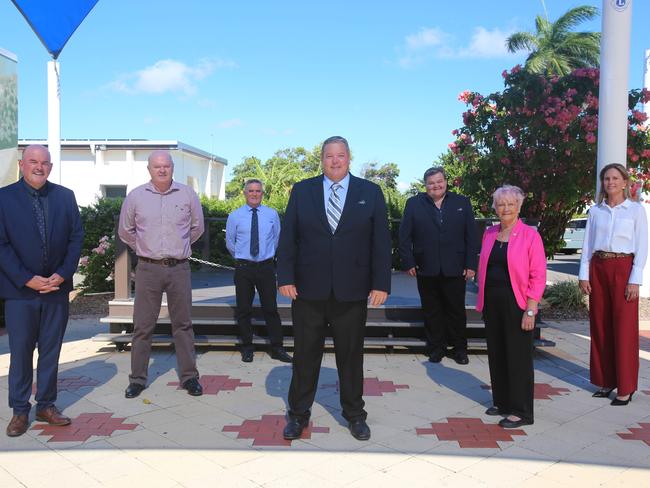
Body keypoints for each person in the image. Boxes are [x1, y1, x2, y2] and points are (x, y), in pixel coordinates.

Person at [277, 136, 392, 441]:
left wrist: (381, 283)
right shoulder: (302, 191)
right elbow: (288, 238)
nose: (335, 161)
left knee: (351, 358)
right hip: (307, 292)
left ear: (349, 158)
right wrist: (284, 277)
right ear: (322, 159)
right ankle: (298, 414)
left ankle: (355, 415)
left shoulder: (370, 192)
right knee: (304, 356)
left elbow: (381, 243)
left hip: (352, 292)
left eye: (341, 156)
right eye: (329, 156)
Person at [0, 145, 83, 437]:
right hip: (20, 292)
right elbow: (2, 246)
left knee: (51, 351)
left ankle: (46, 405)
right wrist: (27, 279)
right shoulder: (3, 198)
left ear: (50, 167)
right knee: (21, 352)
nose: (39, 167)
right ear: (22, 165)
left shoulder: (65, 197)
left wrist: (62, 274)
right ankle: (19, 411)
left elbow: (76, 238)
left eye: (45, 163)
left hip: (56, 291)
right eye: (33, 162)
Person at [118, 150, 204, 399]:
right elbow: (126, 231)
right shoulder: (135, 197)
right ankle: (137, 379)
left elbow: (196, 227)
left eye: (166, 166)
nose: (162, 170)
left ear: (172, 168)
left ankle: (189, 377)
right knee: (143, 326)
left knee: (183, 325)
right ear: (149, 169)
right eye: (157, 166)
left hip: (179, 268)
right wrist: (146, 249)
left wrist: (178, 247)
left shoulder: (187, 194)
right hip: (148, 269)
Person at [476, 185, 546, 428]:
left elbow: (538, 275)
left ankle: (522, 411)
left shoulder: (530, 235)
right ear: (495, 207)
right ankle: (503, 402)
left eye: (510, 204)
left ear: (519, 206)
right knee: (497, 353)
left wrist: (530, 309)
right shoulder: (489, 233)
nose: (505, 208)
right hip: (492, 302)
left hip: (517, 302)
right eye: (500, 204)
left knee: (518, 358)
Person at [579, 163, 647, 406]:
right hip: (598, 267)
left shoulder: (635, 210)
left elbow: (642, 246)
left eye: (615, 178)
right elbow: (587, 244)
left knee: (624, 328)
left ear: (625, 181)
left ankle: (626, 386)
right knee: (600, 325)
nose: (611, 183)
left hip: (623, 268)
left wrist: (635, 280)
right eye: (606, 178)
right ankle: (606, 380)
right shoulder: (596, 211)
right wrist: (583, 275)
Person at [398, 167, 478, 364]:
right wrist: (408, 261)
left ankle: (459, 349)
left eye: (439, 181)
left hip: (456, 267)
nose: (436, 185)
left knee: (456, 310)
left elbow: (472, 237)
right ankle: (436, 348)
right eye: (431, 183)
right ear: (425, 185)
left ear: (446, 182)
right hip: (426, 267)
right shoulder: (413, 204)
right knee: (431, 310)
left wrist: (471, 264)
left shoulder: (462, 203)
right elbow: (403, 236)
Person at [225, 179, 292, 363]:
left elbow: (276, 240)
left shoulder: (271, 215)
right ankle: (247, 348)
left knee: (271, 308)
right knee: (244, 309)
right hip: (244, 268)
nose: (254, 194)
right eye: (251, 191)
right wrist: (242, 256)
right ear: (245, 193)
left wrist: (266, 256)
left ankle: (277, 348)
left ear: (263, 193)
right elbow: (230, 243)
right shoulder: (235, 216)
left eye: (258, 191)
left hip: (266, 267)